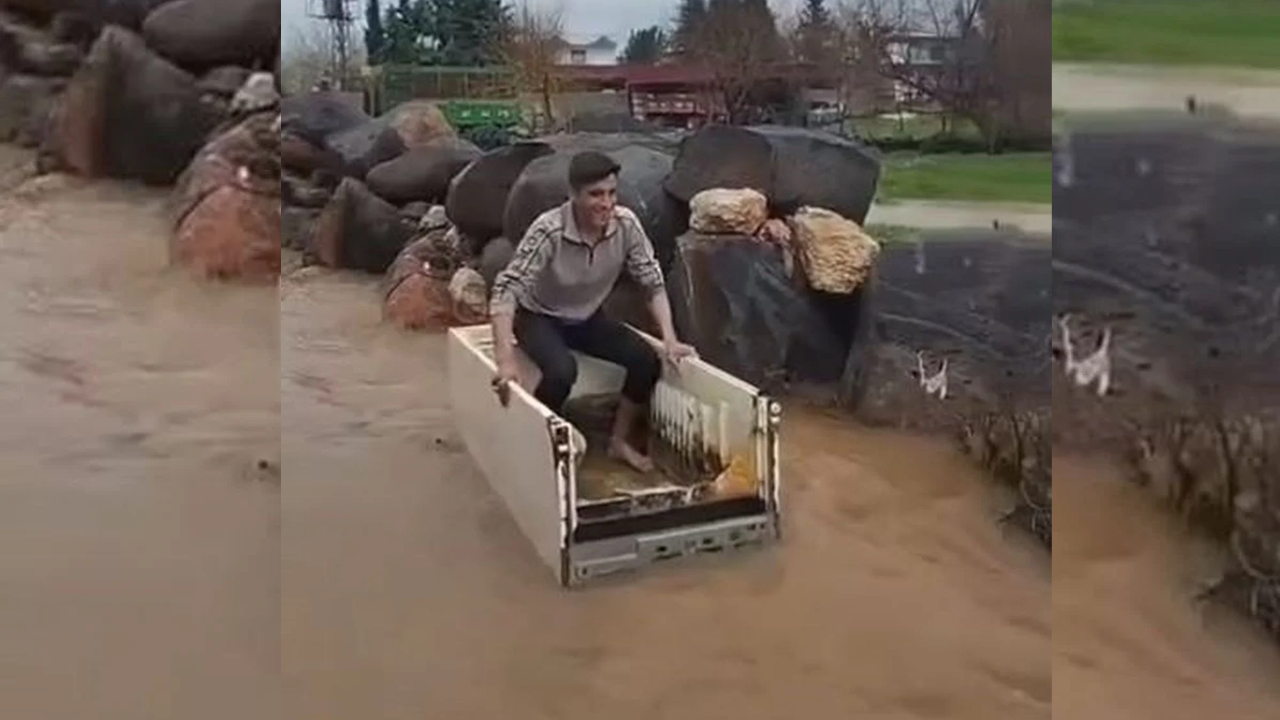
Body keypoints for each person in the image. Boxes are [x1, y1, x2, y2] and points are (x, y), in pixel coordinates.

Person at [488, 150, 696, 473]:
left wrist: (670, 338)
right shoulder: (549, 230)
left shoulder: (626, 225)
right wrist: (505, 359)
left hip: (585, 316)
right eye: (595, 194)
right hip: (537, 314)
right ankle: (539, 447)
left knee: (645, 361)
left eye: (612, 193)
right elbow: (506, 290)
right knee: (561, 372)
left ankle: (618, 442)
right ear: (573, 195)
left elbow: (652, 281)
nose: (606, 203)